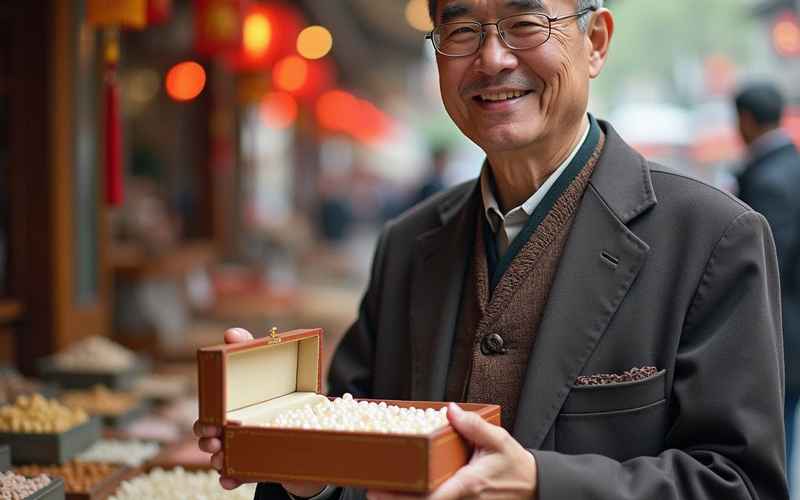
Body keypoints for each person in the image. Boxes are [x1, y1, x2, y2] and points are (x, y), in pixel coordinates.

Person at [195, 1, 788, 498]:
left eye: (524, 23)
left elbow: (740, 483)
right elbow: (360, 463)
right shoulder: (408, 243)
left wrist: (540, 483)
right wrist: (301, 460)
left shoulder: (712, 237)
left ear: (596, 42)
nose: (492, 58)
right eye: (460, 31)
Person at [734, 81, 800, 491]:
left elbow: (766, 262)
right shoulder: (792, 164)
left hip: (782, 328)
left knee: (774, 433)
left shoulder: (768, 179)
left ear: (745, 120)